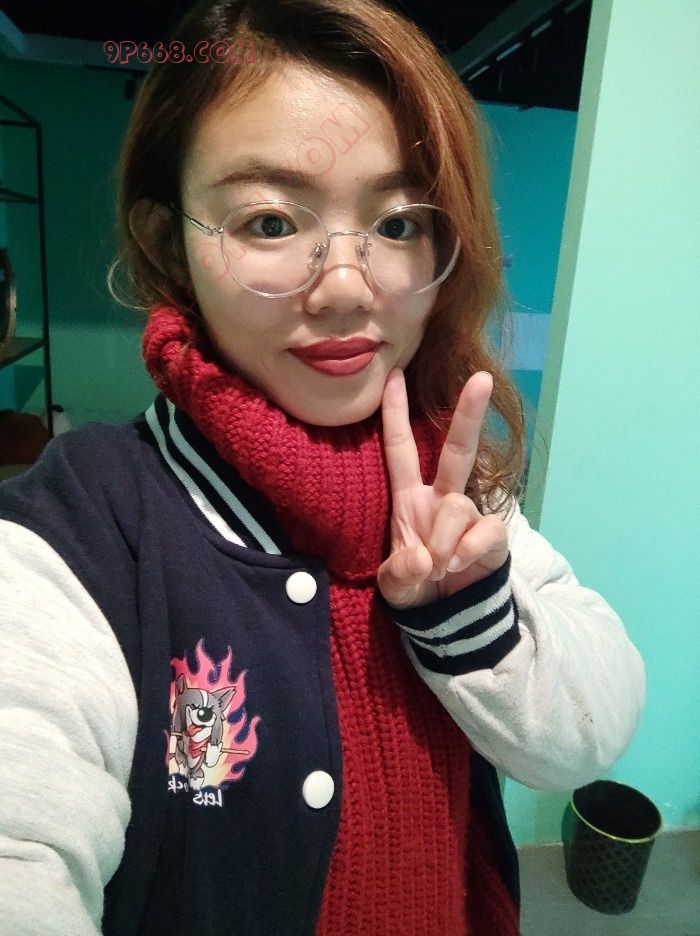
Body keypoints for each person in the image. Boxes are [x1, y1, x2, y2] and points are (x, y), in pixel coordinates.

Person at [0, 1, 646, 934]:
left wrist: (470, 616)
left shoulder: (451, 488)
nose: (347, 287)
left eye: (398, 223)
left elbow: (591, 733)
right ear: (166, 240)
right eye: (269, 221)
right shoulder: (77, 541)